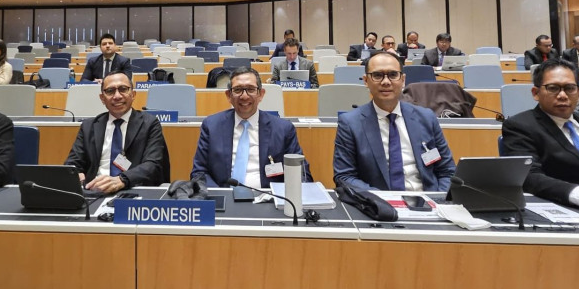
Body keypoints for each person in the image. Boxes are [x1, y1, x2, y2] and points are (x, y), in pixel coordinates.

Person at [501, 59, 579, 212]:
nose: (562, 95)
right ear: (536, 93)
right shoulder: (520, 125)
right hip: (571, 206)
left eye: (570, 88)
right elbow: (529, 177)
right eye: (553, 88)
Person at [333, 52, 456, 191]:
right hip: (377, 202)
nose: (386, 82)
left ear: (403, 80)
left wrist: (438, 199)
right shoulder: (350, 123)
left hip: (428, 200)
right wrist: (383, 200)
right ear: (366, 81)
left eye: (393, 75)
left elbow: (447, 171)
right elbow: (344, 177)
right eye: (377, 75)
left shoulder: (426, 118)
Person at [191, 67, 312, 188]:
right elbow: (199, 173)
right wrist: (220, 195)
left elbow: (302, 174)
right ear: (229, 95)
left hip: (269, 196)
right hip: (224, 196)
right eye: (238, 90)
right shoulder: (212, 126)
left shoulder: (283, 129)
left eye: (250, 89)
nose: (244, 96)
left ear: (261, 94)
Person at [65, 71, 169, 193]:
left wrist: (122, 180)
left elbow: (153, 165)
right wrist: (76, 174)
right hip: (95, 190)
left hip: (131, 190)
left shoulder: (149, 124)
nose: (117, 96)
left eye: (123, 89)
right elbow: (72, 163)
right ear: (102, 98)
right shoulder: (89, 126)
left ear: (133, 94)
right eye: (110, 91)